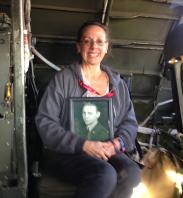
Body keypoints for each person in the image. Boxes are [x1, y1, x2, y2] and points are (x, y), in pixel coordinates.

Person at [35, 21, 141, 198]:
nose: (94, 47)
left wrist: (116, 144)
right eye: (87, 41)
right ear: (78, 47)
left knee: (132, 173)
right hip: (69, 152)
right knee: (105, 175)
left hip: (107, 149)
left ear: (107, 47)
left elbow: (129, 123)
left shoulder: (118, 84)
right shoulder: (63, 80)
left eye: (100, 42)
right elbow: (45, 122)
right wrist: (84, 144)